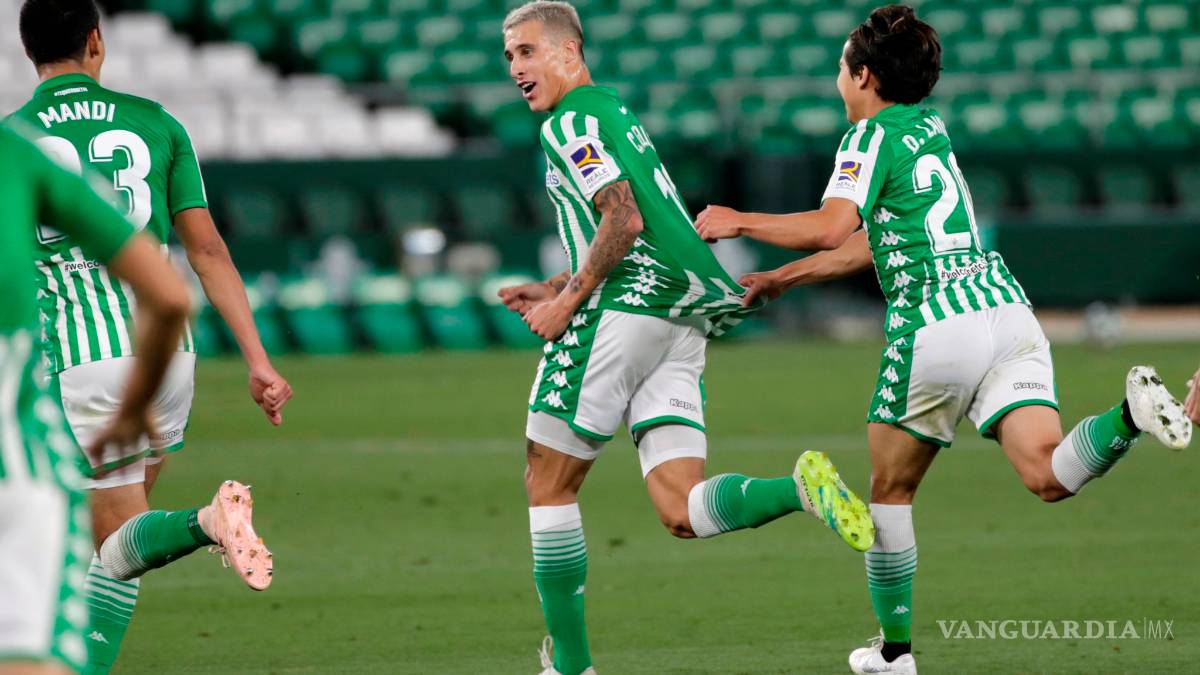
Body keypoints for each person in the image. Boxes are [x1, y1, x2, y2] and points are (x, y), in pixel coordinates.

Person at [694, 5, 1192, 674]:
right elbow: (875, 240)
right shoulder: (929, 128)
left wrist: (740, 219)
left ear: (864, 76)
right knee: (1047, 474)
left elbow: (832, 227)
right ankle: (1129, 415)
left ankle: (894, 653)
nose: (837, 78)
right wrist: (785, 279)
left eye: (841, 66)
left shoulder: (867, 137)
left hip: (934, 320)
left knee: (890, 493)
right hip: (1003, 309)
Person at [499, 3, 875, 674]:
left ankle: (571, 665)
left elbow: (623, 217)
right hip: (679, 318)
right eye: (509, 57)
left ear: (567, 52)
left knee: (547, 484)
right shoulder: (615, 113)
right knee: (681, 507)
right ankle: (798, 489)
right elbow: (648, 225)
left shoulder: (570, 121)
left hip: (622, 314)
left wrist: (568, 302)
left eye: (527, 51)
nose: (515, 68)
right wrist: (556, 282)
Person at [7, 2, 292, 671]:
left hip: (78, 360)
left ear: (27, 51)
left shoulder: (14, 141)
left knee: (96, 545)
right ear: (96, 41)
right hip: (167, 358)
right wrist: (258, 359)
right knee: (108, 554)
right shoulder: (157, 123)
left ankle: (208, 521)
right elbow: (208, 252)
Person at [0, 123, 189, 675]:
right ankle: (206, 522)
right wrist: (133, 406)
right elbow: (170, 296)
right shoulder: (18, 155)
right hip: (19, 470)